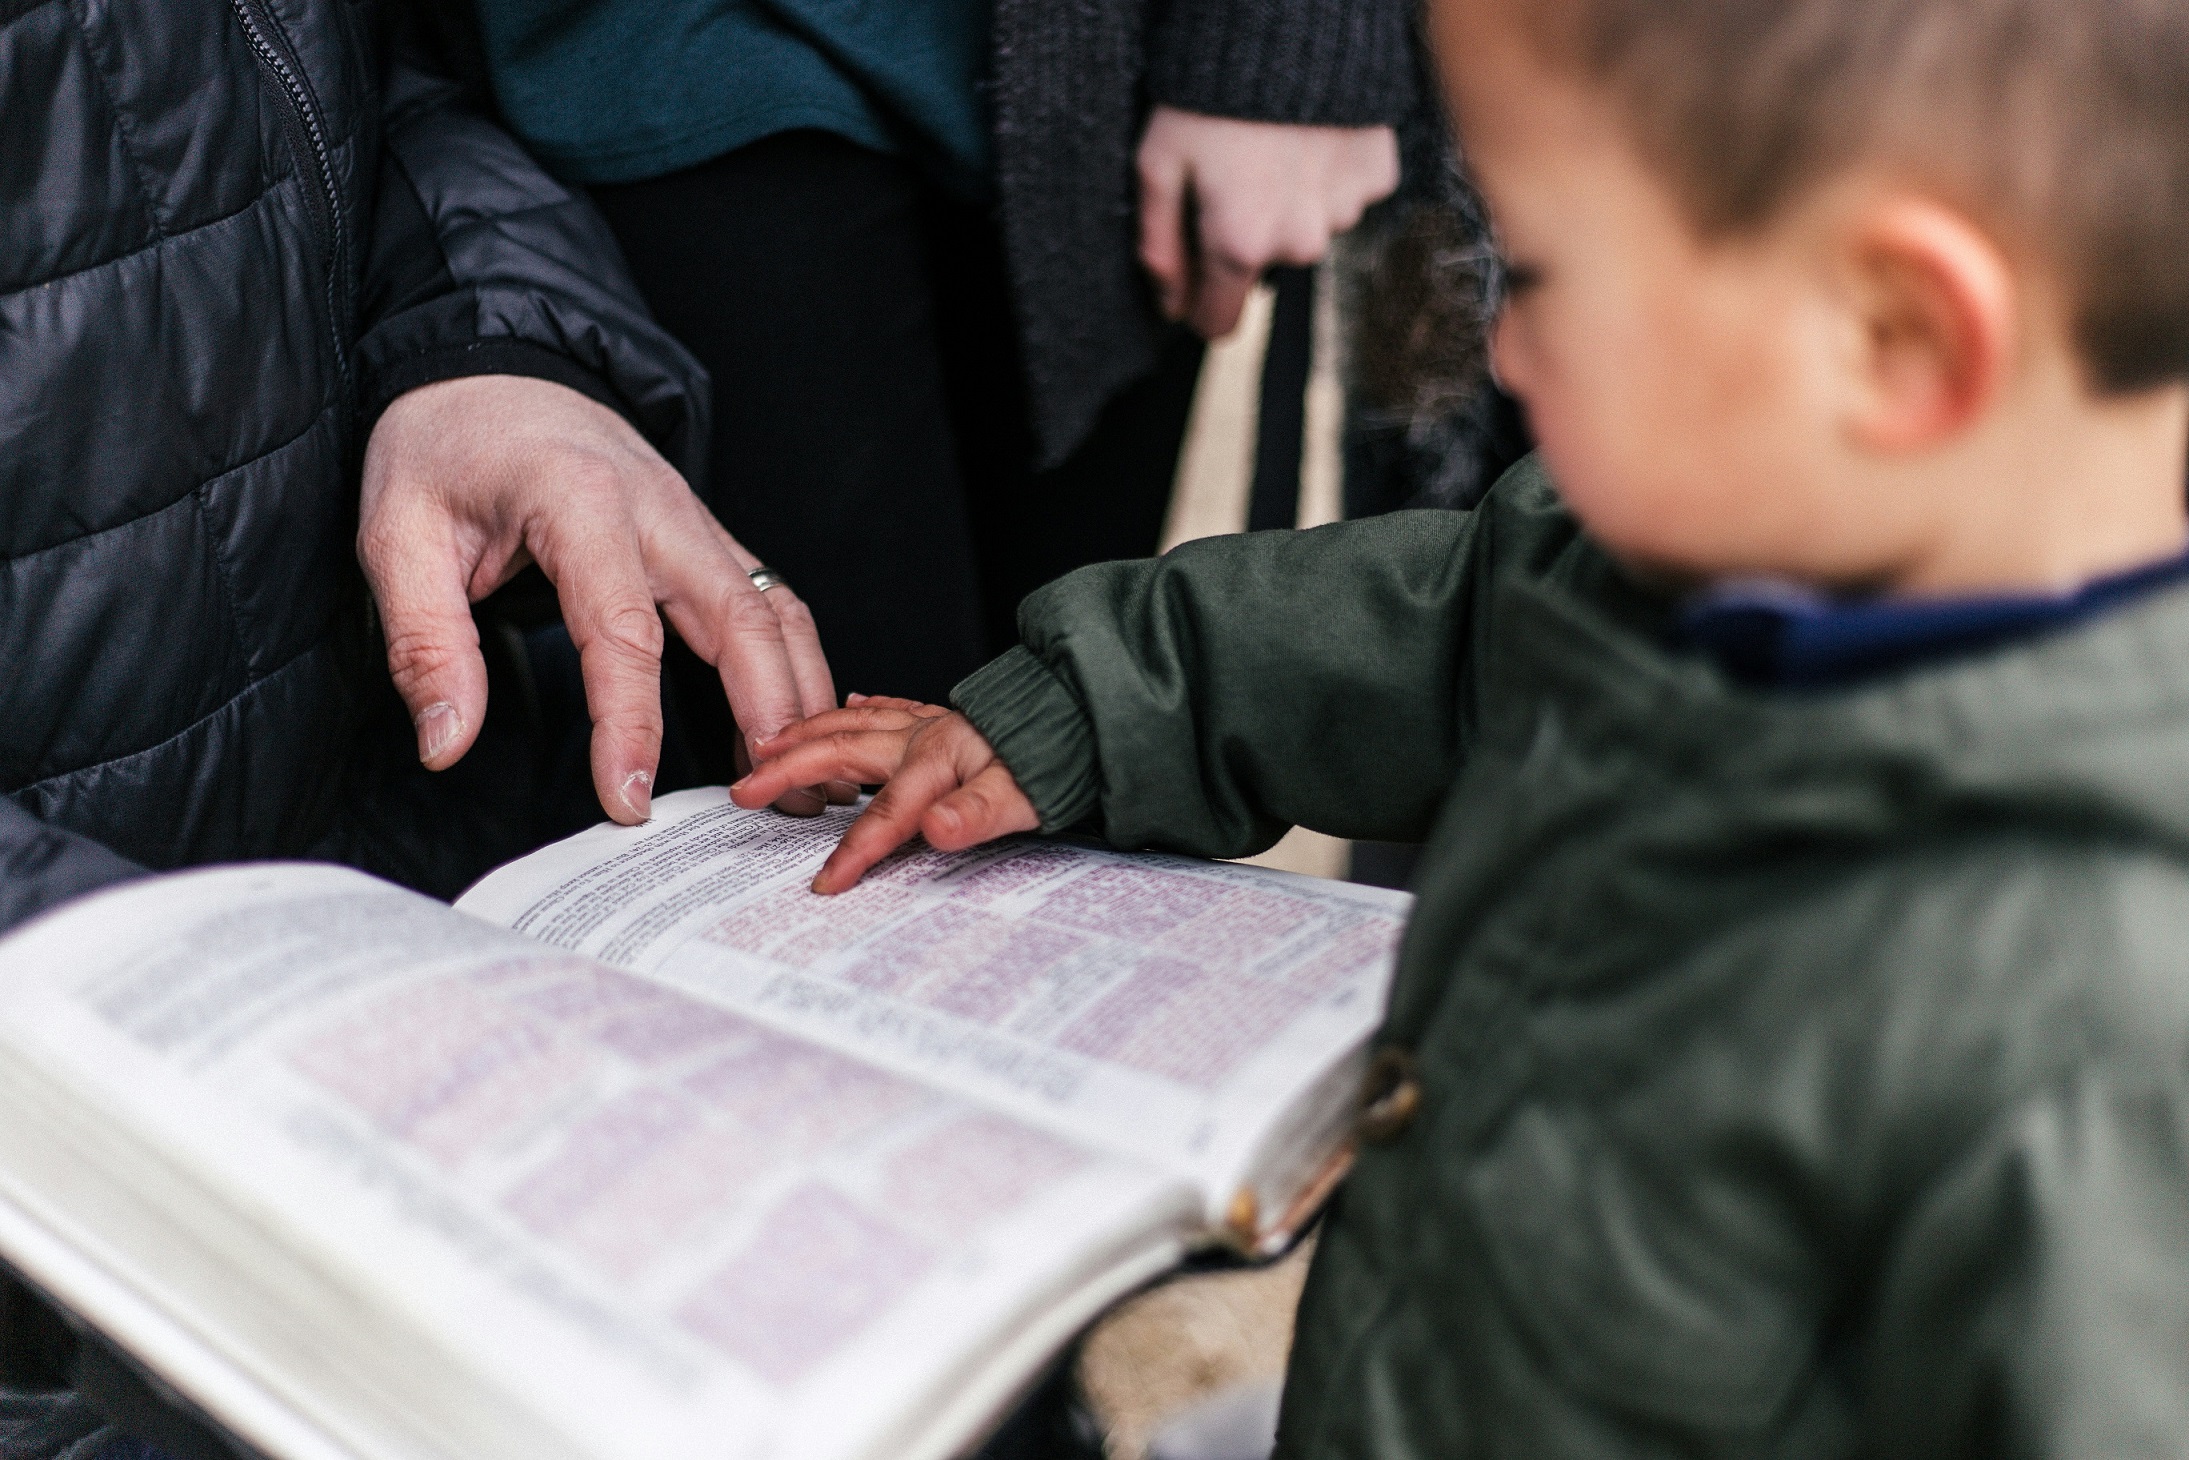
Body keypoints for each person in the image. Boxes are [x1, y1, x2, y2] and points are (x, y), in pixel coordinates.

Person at [734, 0, 2189, 1450]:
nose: (1497, 357)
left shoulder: (2094, 1052)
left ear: (1895, 337)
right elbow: (1423, 626)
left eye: (1538, 275)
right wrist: (1081, 708)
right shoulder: (1667, 559)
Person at [0, 0, 834, 1450]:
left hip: (384, 893)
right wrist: (162, 1018)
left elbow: (361, 84)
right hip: (104, 1156)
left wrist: (489, 350)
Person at [449, 0, 1415, 713]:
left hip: (1094, 80)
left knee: (1052, 748)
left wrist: (1291, 39)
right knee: (809, 794)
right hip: (661, 60)